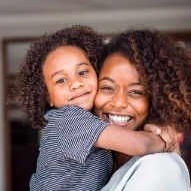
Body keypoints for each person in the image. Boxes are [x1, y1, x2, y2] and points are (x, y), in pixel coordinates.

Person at [13, 25, 171, 191]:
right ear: (48, 97)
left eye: (82, 72)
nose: (75, 83)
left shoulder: (93, 125)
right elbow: (141, 145)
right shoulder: (68, 120)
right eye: (61, 80)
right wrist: (165, 138)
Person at [94, 28, 191, 191]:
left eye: (136, 92)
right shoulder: (99, 163)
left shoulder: (161, 166)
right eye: (107, 87)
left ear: (158, 101)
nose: (118, 103)